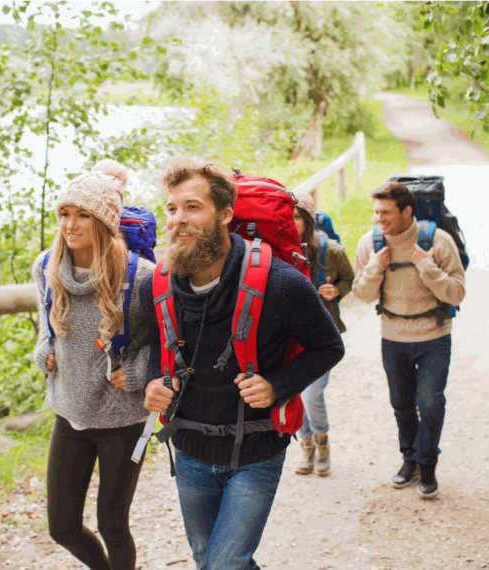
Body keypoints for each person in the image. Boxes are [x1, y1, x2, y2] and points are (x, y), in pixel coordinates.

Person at [140, 158, 345, 570]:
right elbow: (153, 349)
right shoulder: (156, 286)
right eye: (172, 209)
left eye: (192, 207)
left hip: (256, 450)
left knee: (223, 564)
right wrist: (151, 382)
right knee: (208, 560)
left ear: (226, 214)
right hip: (190, 449)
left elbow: (328, 346)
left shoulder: (281, 283)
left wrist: (278, 385)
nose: (179, 219)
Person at [32, 160, 155, 570]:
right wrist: (43, 351)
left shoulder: (140, 278)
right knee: (61, 527)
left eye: (83, 215)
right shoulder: (46, 267)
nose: (71, 224)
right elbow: (46, 328)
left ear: (104, 221)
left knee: (113, 524)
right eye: (65, 214)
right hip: (70, 413)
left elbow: (168, 347)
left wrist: (137, 371)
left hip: (122, 418)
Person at [352, 180, 465, 499]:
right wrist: (375, 267)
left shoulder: (438, 242)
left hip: (434, 336)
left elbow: (457, 292)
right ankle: (409, 461)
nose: (379, 219)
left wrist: (426, 266)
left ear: (406, 211)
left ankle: (427, 468)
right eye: (376, 211)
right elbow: (362, 295)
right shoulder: (370, 244)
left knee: (430, 404)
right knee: (401, 404)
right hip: (393, 336)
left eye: (386, 212)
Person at [291, 193, 354, 477]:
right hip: (291, 336)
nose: (291, 224)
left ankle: (322, 442)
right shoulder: (282, 250)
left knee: (313, 393)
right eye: (287, 218)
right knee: (297, 392)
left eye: (296, 217)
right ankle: (307, 447)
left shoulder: (333, 251)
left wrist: (337, 290)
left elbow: (349, 279)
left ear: (307, 219)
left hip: (324, 335)